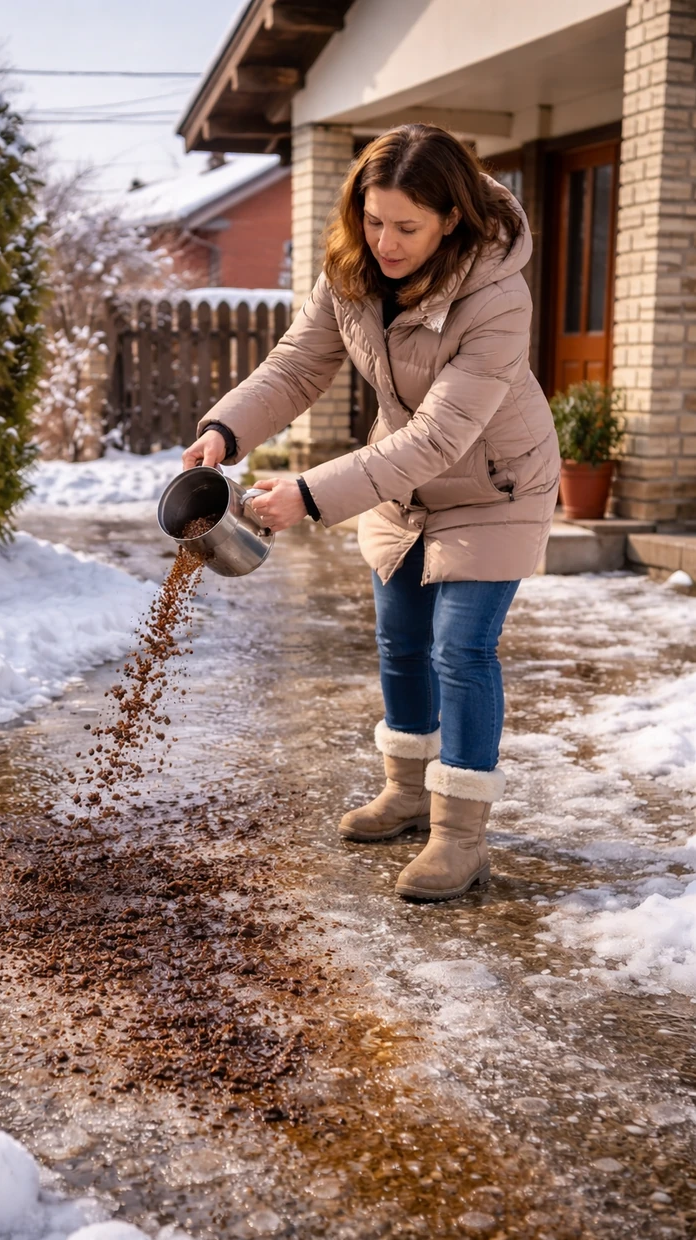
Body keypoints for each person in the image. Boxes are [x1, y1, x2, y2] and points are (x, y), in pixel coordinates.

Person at [181, 123, 559, 903]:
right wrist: (225, 427)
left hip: (495, 486)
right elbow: (297, 365)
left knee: (460, 649)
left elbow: (442, 434)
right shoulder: (353, 270)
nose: (384, 241)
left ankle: (461, 836)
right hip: (403, 481)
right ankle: (408, 791)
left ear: (451, 218)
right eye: (374, 219)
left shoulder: (497, 296)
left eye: (406, 227)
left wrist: (312, 494)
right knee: (400, 640)